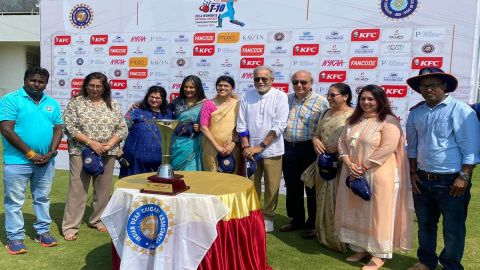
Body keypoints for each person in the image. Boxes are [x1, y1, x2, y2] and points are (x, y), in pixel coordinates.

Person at [405, 68, 480, 270]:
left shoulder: (462, 111)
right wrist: (412, 173)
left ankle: (451, 266)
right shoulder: (416, 113)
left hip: (452, 180)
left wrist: (463, 177)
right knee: (425, 225)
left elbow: (471, 149)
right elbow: (412, 147)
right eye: (424, 86)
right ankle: (426, 262)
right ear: (419, 89)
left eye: (434, 85)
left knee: (453, 229)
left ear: (444, 87)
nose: (429, 89)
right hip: (422, 178)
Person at [335, 85, 413, 270]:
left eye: (371, 99)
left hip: (379, 175)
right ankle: (361, 247)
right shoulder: (354, 120)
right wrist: (348, 163)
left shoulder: (389, 121)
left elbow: (387, 147)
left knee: (379, 214)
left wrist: (362, 167)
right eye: (363, 98)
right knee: (359, 212)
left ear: (380, 100)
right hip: (353, 173)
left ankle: (379, 255)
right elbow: (341, 142)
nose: (366, 102)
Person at [0, 67, 62, 254]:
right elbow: (6, 129)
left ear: (46, 83)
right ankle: (14, 238)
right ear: (25, 79)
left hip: (46, 161)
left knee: (42, 198)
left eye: (41, 81)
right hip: (17, 161)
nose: (36, 84)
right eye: (33, 80)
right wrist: (31, 154)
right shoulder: (10, 99)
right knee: (15, 202)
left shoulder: (51, 103)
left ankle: (42, 233)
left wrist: (51, 153)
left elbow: (58, 128)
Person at [62, 72, 128, 241]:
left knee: (103, 189)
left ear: (104, 87)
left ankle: (97, 219)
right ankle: (70, 226)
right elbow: (69, 127)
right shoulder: (76, 103)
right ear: (86, 85)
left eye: (98, 86)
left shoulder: (113, 104)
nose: (94, 89)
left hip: (108, 151)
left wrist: (109, 144)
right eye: (91, 85)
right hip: (81, 151)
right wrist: (91, 143)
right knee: (78, 189)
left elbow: (122, 128)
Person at [237, 66, 289, 232]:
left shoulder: (280, 96)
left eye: (264, 79)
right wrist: (246, 146)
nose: (260, 82)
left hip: (272, 150)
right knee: (251, 185)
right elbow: (241, 123)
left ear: (272, 80)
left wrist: (260, 147)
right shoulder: (246, 95)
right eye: (257, 79)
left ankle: (267, 216)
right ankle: (252, 214)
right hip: (250, 151)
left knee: (272, 186)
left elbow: (279, 125)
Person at [302, 83, 353, 251]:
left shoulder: (353, 116)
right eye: (328, 95)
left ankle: (337, 238)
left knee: (336, 201)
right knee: (320, 199)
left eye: (333, 95)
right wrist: (316, 141)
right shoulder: (325, 112)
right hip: (321, 163)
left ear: (345, 97)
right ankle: (321, 232)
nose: (329, 98)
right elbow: (316, 135)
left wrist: (339, 148)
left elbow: (355, 141)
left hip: (340, 165)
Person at [279, 70, 328, 239]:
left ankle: (313, 223)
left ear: (311, 83)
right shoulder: (286, 99)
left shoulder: (321, 102)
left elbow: (326, 125)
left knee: (311, 186)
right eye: (295, 82)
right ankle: (296, 220)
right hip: (288, 147)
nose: (299, 85)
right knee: (292, 186)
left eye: (303, 82)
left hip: (310, 148)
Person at [119, 86, 173, 178]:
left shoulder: (168, 114)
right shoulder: (135, 110)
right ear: (147, 97)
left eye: (158, 98)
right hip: (135, 159)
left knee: (156, 187)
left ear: (163, 99)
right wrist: (118, 147)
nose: (154, 100)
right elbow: (122, 128)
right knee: (132, 186)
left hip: (159, 159)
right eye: (152, 97)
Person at [200, 76, 241, 174]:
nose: (222, 88)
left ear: (232, 88)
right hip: (211, 146)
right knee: (213, 176)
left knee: (232, 177)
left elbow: (241, 125)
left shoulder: (238, 104)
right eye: (220, 85)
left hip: (232, 147)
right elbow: (203, 126)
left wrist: (232, 144)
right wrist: (217, 146)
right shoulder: (208, 104)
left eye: (226, 85)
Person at [169, 75, 207, 171]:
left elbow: (213, 123)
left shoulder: (205, 104)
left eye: (191, 87)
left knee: (191, 171)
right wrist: (140, 104)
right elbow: (161, 111)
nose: (188, 89)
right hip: (177, 143)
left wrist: (201, 127)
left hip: (194, 143)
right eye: (185, 87)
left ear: (198, 88)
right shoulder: (176, 102)